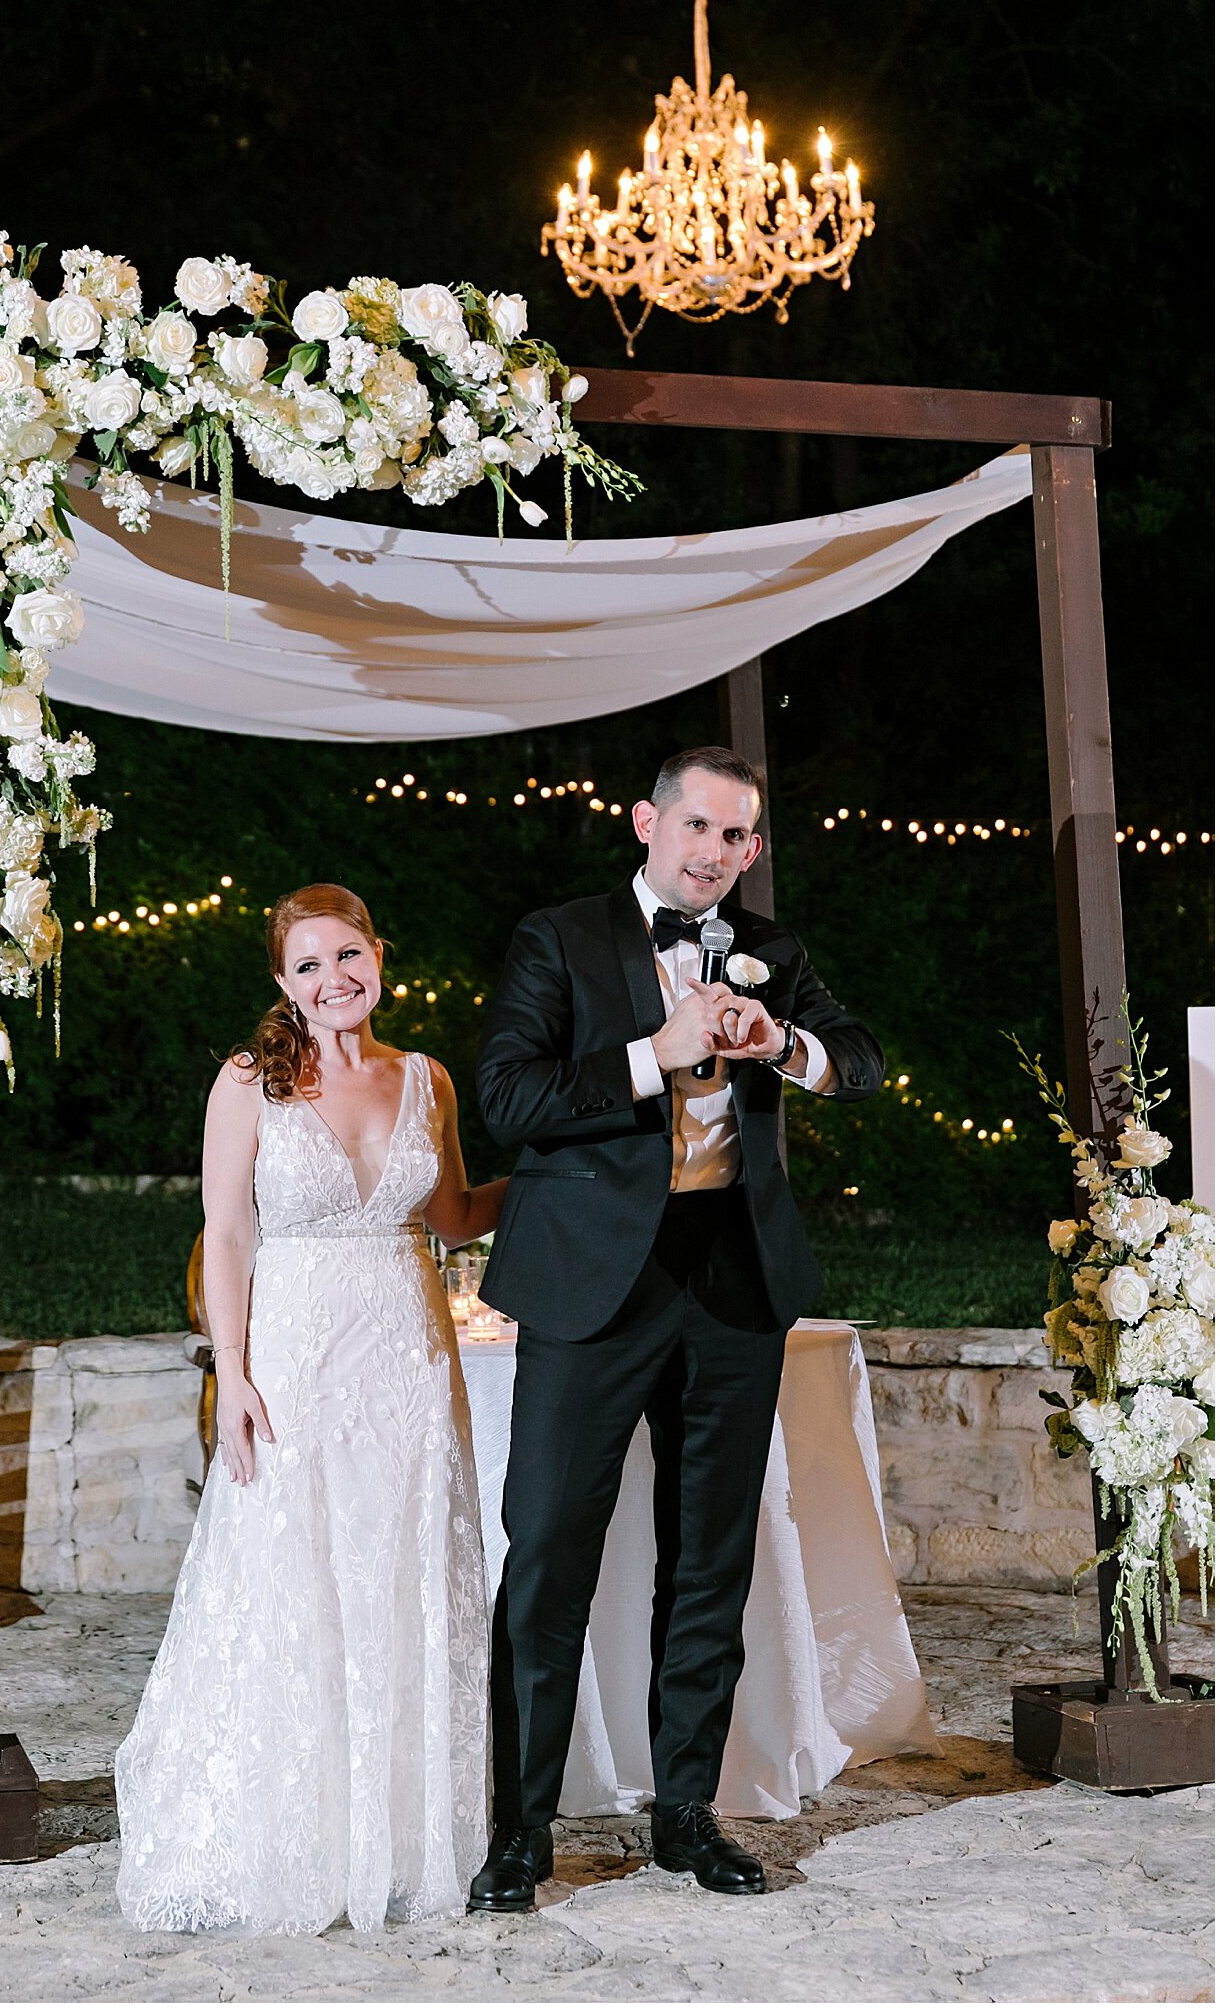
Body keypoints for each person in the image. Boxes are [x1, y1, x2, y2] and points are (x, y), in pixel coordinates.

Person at [469, 746, 883, 1911]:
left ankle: (686, 1813)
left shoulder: (777, 953)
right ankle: (521, 1827)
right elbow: (508, 1095)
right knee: (548, 1547)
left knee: (712, 1559)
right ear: (649, 821)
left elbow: (862, 1062)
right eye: (697, 826)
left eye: (737, 837)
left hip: (730, 1284)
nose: (714, 853)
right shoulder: (559, 936)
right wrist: (657, 1054)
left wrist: (782, 1047)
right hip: (591, 1283)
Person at [116, 884, 505, 1935]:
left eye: (349, 955)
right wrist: (233, 1371)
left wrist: (568, 1176)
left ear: (380, 954)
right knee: (296, 1576)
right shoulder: (251, 1081)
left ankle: (399, 1839)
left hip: (411, 1362)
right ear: (282, 982)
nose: (334, 979)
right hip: (294, 1359)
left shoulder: (426, 1078)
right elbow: (227, 1233)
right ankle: (294, 1835)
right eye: (308, 965)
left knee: (403, 1578)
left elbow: (455, 1216)